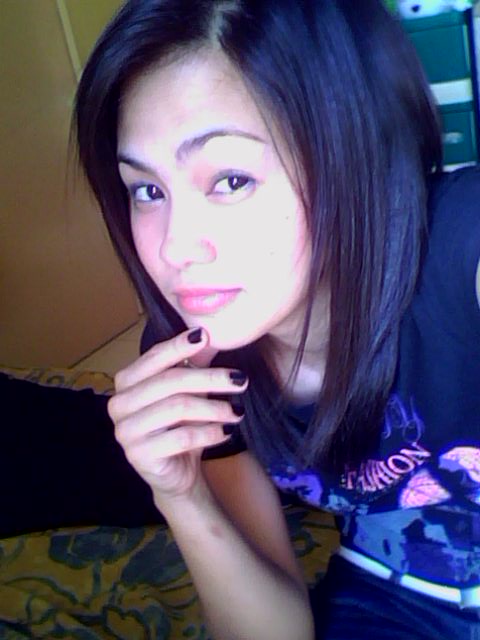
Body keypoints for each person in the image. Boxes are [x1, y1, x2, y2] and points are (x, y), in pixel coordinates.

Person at [71, 0, 480, 638]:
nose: (174, 248)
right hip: (392, 595)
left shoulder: (462, 247)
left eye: (231, 180)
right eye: (147, 190)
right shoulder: (196, 359)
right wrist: (181, 496)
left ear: (354, 152)